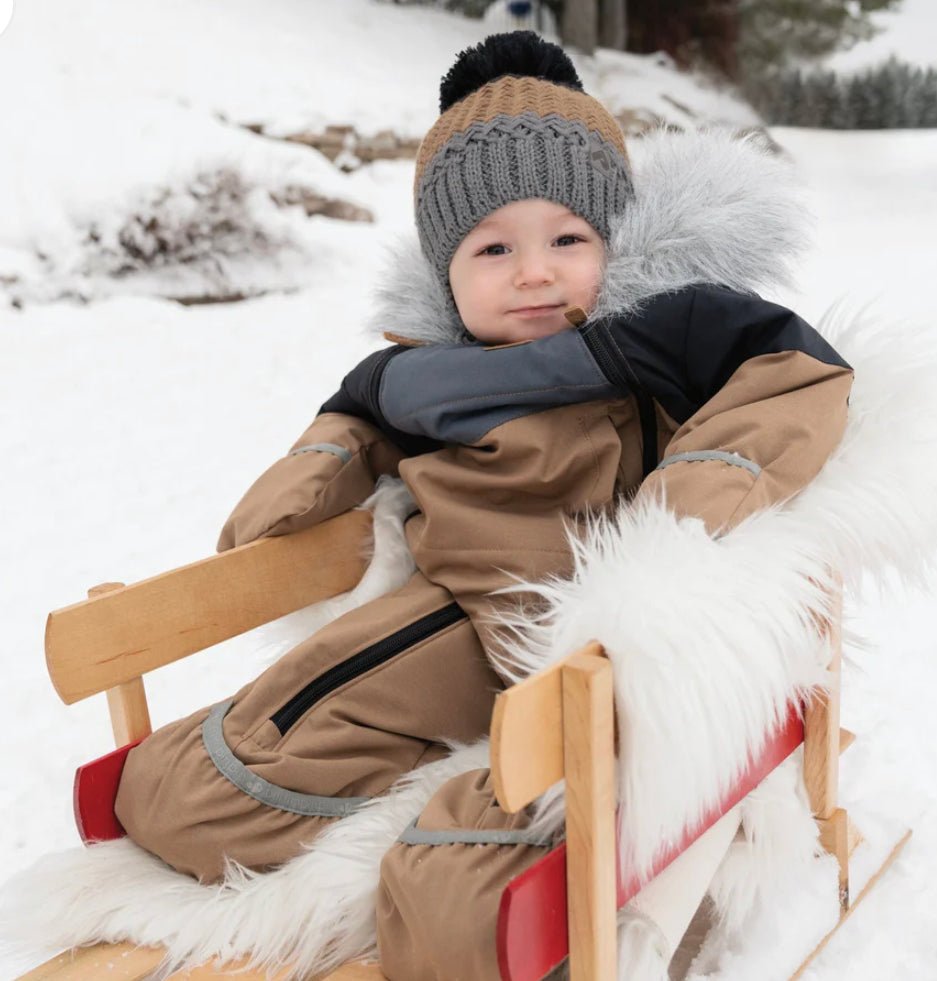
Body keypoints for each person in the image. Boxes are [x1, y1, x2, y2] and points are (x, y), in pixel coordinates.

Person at [112, 30, 853, 978]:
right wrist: (318, 463)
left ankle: (496, 877)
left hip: (601, 623)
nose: (534, 271)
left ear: (615, 241)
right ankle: (300, 790)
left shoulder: (657, 328)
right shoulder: (420, 372)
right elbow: (357, 413)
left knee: (459, 891)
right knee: (191, 790)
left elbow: (798, 372)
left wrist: (691, 499)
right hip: (455, 607)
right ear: (445, 271)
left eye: (568, 239)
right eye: (494, 246)